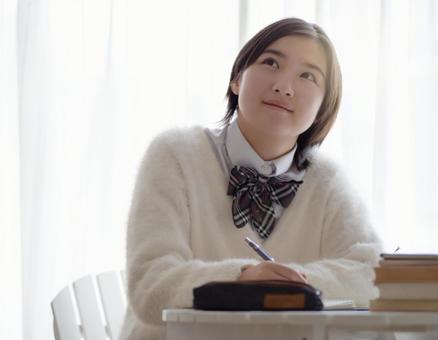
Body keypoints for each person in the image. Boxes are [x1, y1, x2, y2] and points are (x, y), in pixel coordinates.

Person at [120, 17, 382, 340]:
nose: (284, 86)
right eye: (271, 62)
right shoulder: (175, 155)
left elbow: (373, 274)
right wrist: (243, 278)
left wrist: (289, 282)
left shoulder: (328, 182)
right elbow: (150, 284)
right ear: (236, 80)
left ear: (322, 108)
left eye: (307, 76)